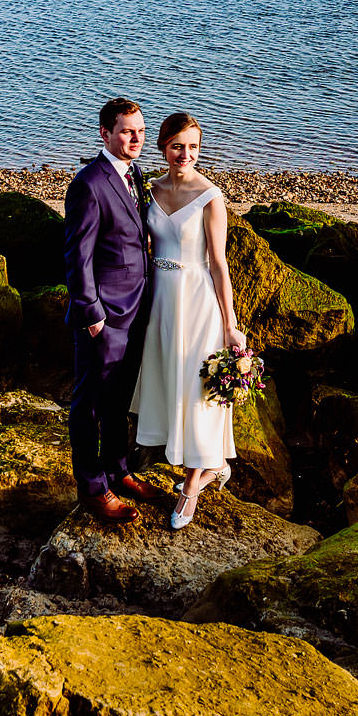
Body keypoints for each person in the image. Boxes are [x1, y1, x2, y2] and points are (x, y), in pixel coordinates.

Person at [129, 112, 245, 530]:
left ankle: (193, 484)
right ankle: (212, 466)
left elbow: (219, 265)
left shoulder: (211, 197)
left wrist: (230, 324)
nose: (186, 154)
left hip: (198, 302)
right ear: (163, 146)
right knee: (170, 380)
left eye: (193, 147)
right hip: (159, 299)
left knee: (197, 389)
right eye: (178, 146)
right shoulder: (149, 190)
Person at [62, 98, 169, 523]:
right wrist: (91, 314)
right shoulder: (89, 183)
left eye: (141, 131)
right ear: (105, 133)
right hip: (103, 316)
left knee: (119, 399)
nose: (136, 139)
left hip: (136, 309)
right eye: (127, 131)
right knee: (89, 403)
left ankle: (117, 470)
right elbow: (77, 255)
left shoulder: (136, 174)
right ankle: (91, 488)